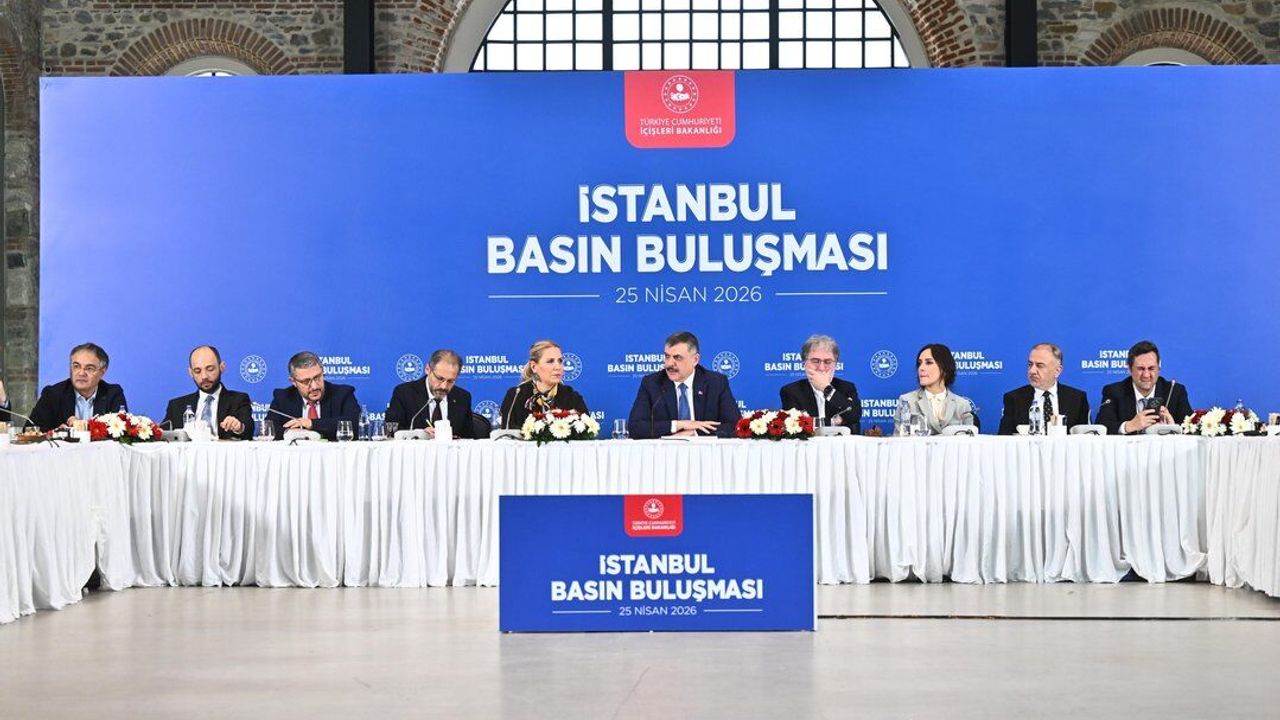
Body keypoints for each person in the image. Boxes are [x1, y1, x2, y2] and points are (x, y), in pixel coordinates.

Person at [627, 331, 741, 438]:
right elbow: (635, 427)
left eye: (677, 357)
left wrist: (695, 432)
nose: (669, 364)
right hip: (666, 451)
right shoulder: (652, 383)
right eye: (667, 356)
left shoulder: (715, 382)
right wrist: (678, 425)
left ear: (695, 360)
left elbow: (736, 426)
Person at [1096, 340, 1192, 435]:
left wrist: (1174, 427)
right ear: (1129, 369)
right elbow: (1101, 427)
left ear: (1159, 369)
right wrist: (1129, 426)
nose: (1146, 375)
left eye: (1151, 368)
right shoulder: (1114, 392)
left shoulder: (1175, 391)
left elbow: (1192, 427)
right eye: (1140, 369)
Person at [29, 343, 128, 431]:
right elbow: (30, 431)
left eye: (89, 368)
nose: (81, 373)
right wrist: (56, 433)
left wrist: (82, 426)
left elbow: (121, 431)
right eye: (76, 366)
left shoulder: (113, 394)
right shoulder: (52, 394)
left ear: (102, 371)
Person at [162, 345, 254, 440]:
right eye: (197, 371)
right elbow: (162, 434)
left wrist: (239, 427)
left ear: (222, 367)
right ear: (190, 373)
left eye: (210, 369)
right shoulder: (176, 406)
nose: (204, 376)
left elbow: (248, 429)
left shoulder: (239, 400)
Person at [997, 343, 1090, 435]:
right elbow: (1004, 438)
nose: (1032, 371)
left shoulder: (1077, 398)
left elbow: (1086, 439)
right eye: (1030, 364)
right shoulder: (1014, 398)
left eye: (1040, 365)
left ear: (1057, 371)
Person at [267, 351, 360, 440]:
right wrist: (290, 433)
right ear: (293, 381)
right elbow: (269, 428)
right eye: (306, 381)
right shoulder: (283, 397)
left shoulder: (342, 394)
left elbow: (356, 424)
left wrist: (311, 423)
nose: (314, 386)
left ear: (322, 372)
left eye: (317, 377)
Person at [778, 334, 861, 433]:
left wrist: (826, 388)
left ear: (836, 364)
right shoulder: (791, 391)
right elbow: (795, 425)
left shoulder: (846, 387)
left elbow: (854, 416)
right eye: (815, 361)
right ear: (804, 363)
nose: (821, 368)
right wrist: (833, 421)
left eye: (827, 362)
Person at [384, 349, 475, 438]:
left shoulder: (463, 397)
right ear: (428, 369)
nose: (444, 386)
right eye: (440, 379)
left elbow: (469, 437)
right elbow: (391, 430)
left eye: (450, 381)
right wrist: (419, 434)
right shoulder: (404, 393)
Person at [500, 340, 589, 430]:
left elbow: (586, 430)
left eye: (560, 361)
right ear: (534, 367)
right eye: (550, 361)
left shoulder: (571, 396)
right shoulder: (516, 395)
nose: (558, 367)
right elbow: (507, 433)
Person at [895, 343, 978, 435]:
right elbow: (899, 441)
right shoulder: (907, 401)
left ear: (944, 368)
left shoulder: (962, 405)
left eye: (928, 363)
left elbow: (969, 440)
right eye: (919, 363)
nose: (921, 368)